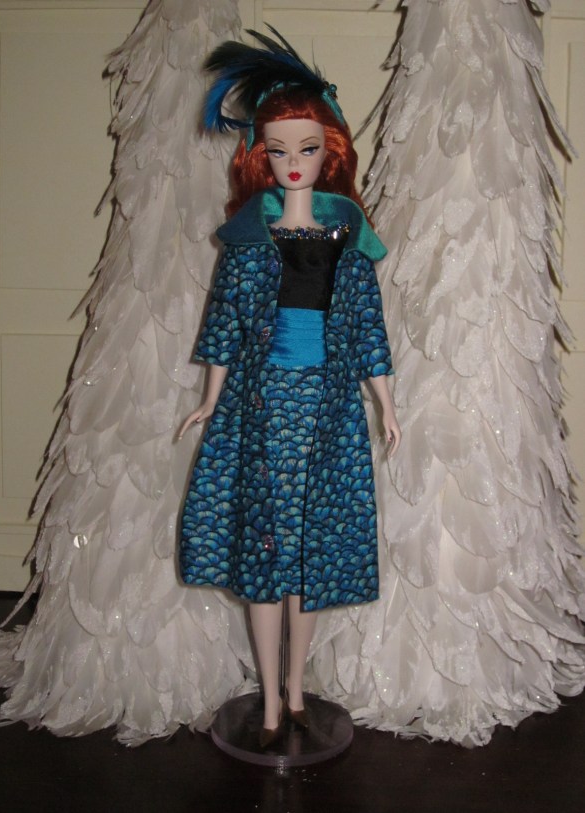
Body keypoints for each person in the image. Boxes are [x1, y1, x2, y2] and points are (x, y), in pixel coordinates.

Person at [177, 27, 401, 747]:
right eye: (279, 150)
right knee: (264, 559)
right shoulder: (247, 245)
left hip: (327, 418)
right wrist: (209, 400)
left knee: (309, 558)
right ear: (260, 155)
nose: (294, 162)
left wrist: (386, 403)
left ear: (328, 151)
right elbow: (224, 327)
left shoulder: (348, 243)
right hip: (260, 416)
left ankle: (297, 689)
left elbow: (366, 328)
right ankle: (270, 702)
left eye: (306, 148)